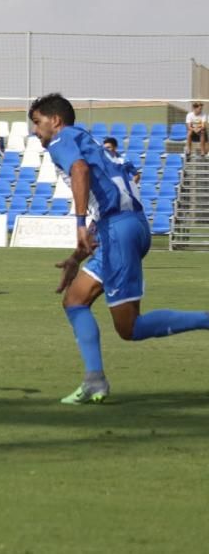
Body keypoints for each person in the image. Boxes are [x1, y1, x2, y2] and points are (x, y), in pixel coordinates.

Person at [30, 92, 209, 405]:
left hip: (118, 230)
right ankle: (94, 380)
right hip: (130, 225)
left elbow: (80, 171)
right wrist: (76, 258)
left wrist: (80, 223)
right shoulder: (92, 143)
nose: (36, 130)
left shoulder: (62, 141)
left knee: (130, 327)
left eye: (37, 122)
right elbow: (112, 190)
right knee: (74, 300)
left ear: (55, 121)